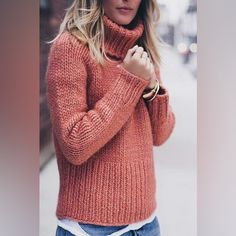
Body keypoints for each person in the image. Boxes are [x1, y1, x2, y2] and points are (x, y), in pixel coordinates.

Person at [45, 0, 176, 235]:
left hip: (146, 224)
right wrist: (129, 81)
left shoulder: (141, 50)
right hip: (88, 228)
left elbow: (161, 134)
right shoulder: (71, 48)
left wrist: (152, 86)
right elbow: (75, 144)